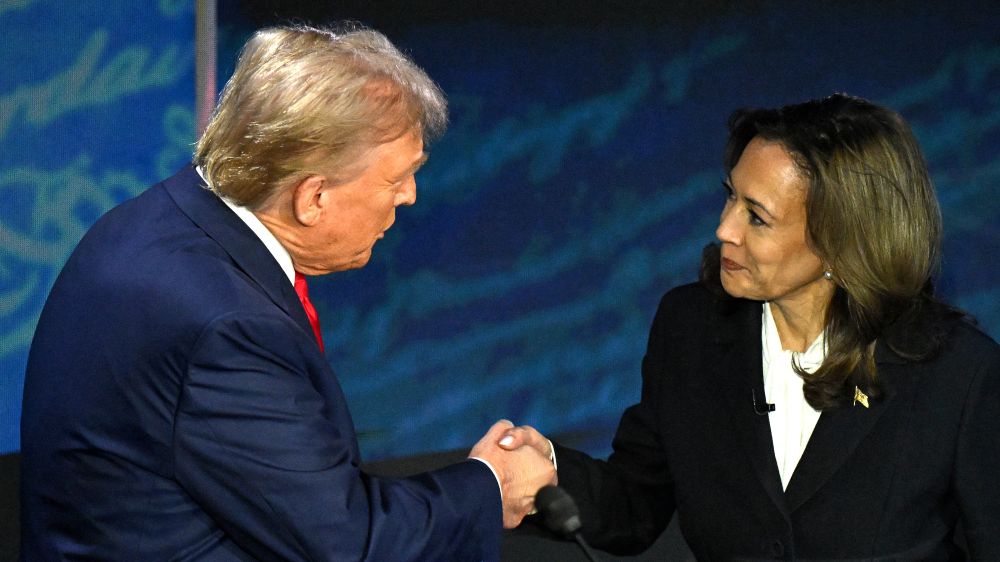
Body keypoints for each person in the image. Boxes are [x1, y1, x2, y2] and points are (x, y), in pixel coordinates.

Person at [20, 24, 555, 561]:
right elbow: (347, 544)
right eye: (397, 180)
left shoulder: (159, 218)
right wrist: (492, 485)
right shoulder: (228, 325)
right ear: (313, 197)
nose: (410, 197)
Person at [501, 94, 1000, 560]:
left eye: (756, 217)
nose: (724, 229)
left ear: (842, 239)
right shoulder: (690, 328)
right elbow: (635, 504)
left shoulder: (957, 374)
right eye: (730, 198)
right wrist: (546, 470)